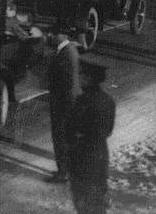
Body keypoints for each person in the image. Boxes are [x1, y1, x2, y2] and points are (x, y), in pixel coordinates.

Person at [69, 56, 116, 214]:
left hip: (83, 157)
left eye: (82, 74)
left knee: (83, 202)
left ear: (89, 78)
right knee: (98, 202)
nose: (80, 77)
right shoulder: (109, 100)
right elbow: (108, 131)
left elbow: (70, 129)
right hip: (101, 155)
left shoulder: (82, 101)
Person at [45, 32, 81, 183]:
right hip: (70, 101)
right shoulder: (70, 50)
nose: (49, 35)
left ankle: (63, 173)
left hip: (63, 103)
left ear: (61, 36)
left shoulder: (64, 54)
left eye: (52, 33)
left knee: (60, 137)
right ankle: (67, 170)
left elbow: (61, 81)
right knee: (67, 137)